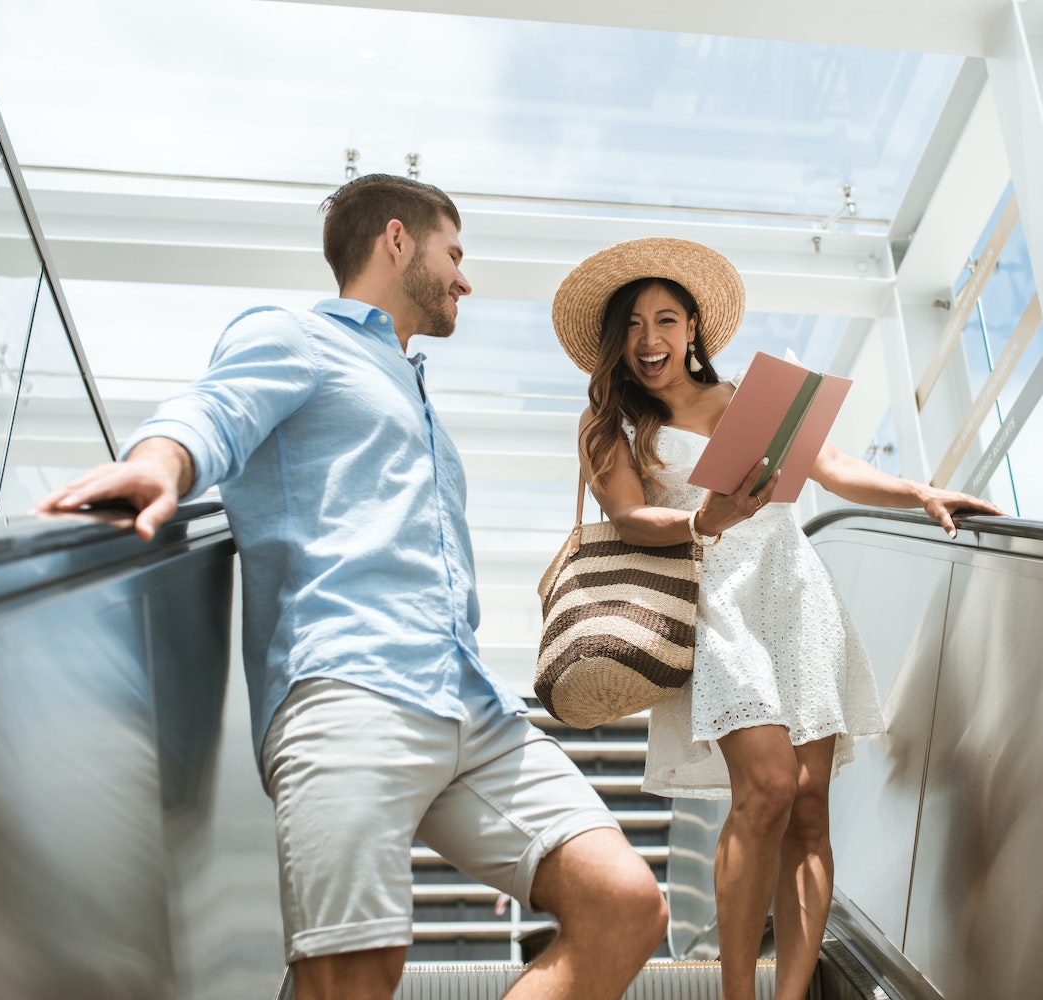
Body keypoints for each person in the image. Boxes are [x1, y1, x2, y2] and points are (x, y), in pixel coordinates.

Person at [36, 175, 667, 1000]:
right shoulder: (298, 336)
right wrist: (155, 465)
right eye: (455, 253)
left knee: (626, 905)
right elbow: (214, 411)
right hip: (352, 686)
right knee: (359, 976)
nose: (464, 278)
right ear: (397, 241)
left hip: (472, 707)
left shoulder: (412, 387)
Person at [550, 238, 1003, 1000]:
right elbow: (629, 517)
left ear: (693, 329)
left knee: (808, 808)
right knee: (764, 786)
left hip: (794, 593)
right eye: (632, 325)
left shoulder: (749, 402)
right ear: (615, 341)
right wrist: (704, 521)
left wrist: (918, 491)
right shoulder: (610, 429)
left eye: (665, 320)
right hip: (712, 603)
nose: (650, 339)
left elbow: (830, 466)